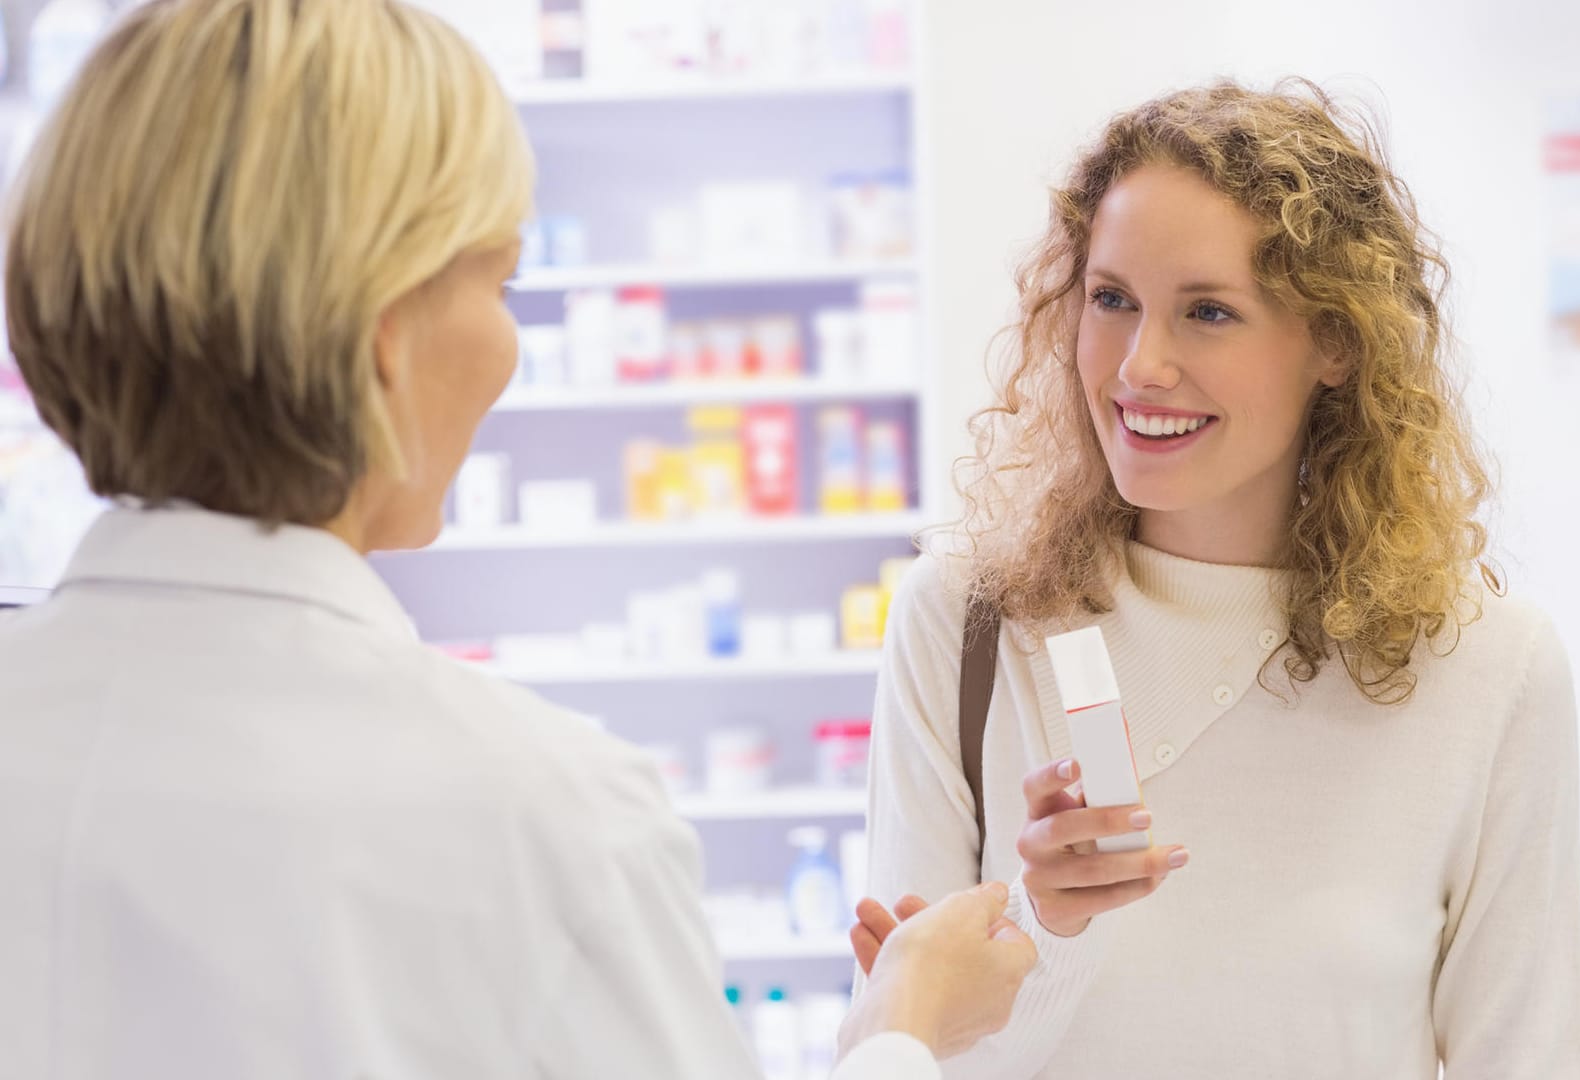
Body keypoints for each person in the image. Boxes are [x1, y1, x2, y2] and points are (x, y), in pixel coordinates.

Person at [0, 2, 1035, 1077]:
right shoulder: (541, 817)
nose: (508, 345)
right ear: (383, 337)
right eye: (499, 283)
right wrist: (902, 1028)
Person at [858, 81, 1580, 1078]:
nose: (1139, 365)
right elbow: (900, 1039)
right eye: (1111, 300)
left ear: (1336, 343)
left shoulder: (1488, 667)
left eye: (1208, 312)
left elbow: (1528, 1057)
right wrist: (1049, 929)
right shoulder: (968, 624)